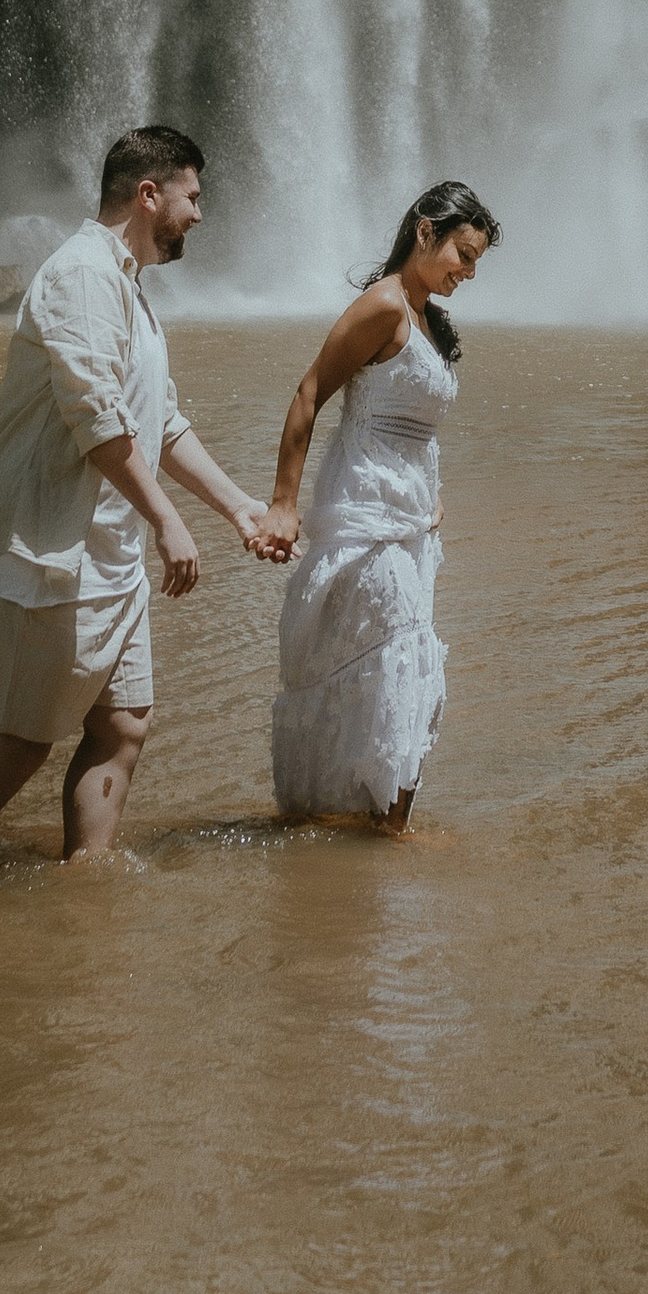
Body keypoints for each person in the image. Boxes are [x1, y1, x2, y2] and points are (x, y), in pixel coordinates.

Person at [0, 123, 288, 864]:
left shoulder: (128, 286)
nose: (200, 214)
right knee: (19, 745)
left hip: (104, 556)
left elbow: (162, 421)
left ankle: (83, 886)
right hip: (48, 550)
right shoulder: (84, 275)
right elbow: (94, 415)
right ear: (149, 195)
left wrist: (237, 506)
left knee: (122, 727)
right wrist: (166, 520)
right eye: (193, 196)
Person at [261, 179, 499, 832]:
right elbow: (310, 393)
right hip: (363, 506)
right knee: (398, 661)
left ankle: (358, 826)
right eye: (463, 254)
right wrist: (284, 505)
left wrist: (433, 491)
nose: (469, 272)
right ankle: (381, 831)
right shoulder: (384, 307)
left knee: (398, 667)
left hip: (410, 518)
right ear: (425, 231)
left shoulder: (423, 316)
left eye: (477, 262)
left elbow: (411, 424)